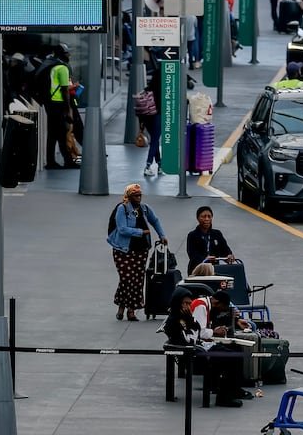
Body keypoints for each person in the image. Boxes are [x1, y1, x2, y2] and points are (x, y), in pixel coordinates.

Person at [163, 287, 250, 408]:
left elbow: (196, 330)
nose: (189, 306)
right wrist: (212, 332)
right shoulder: (177, 319)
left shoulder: (185, 317)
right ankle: (224, 397)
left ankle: (231, 390)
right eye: (186, 303)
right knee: (232, 357)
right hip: (195, 353)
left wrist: (191, 321)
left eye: (189, 303)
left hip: (198, 348)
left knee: (235, 352)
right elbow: (193, 337)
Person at [106, 183, 168, 322]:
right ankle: (123, 306)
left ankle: (130, 310)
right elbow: (122, 229)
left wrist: (162, 235)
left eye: (140, 195)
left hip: (141, 250)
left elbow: (155, 221)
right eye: (135, 195)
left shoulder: (144, 209)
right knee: (127, 278)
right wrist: (141, 232)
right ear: (129, 196)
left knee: (137, 280)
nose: (138, 198)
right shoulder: (122, 209)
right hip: (123, 249)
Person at [43, 44, 77, 168]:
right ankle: (68, 161)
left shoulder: (51, 65)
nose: (69, 55)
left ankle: (51, 161)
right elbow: (65, 90)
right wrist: (68, 110)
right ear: (62, 54)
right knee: (62, 133)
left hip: (50, 102)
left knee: (52, 134)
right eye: (67, 53)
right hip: (59, 103)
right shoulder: (62, 68)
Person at [186, 205, 236, 274]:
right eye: (203, 216)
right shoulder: (192, 235)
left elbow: (225, 250)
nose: (207, 219)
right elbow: (192, 254)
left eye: (209, 216)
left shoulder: (217, 234)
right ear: (198, 218)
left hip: (214, 269)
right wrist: (205, 258)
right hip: (198, 270)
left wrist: (229, 255)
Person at [135, 77, 163, 177]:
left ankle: (160, 165)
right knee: (155, 140)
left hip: (146, 116)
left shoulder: (147, 90)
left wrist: (141, 123)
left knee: (154, 140)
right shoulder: (163, 90)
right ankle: (148, 165)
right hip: (157, 115)